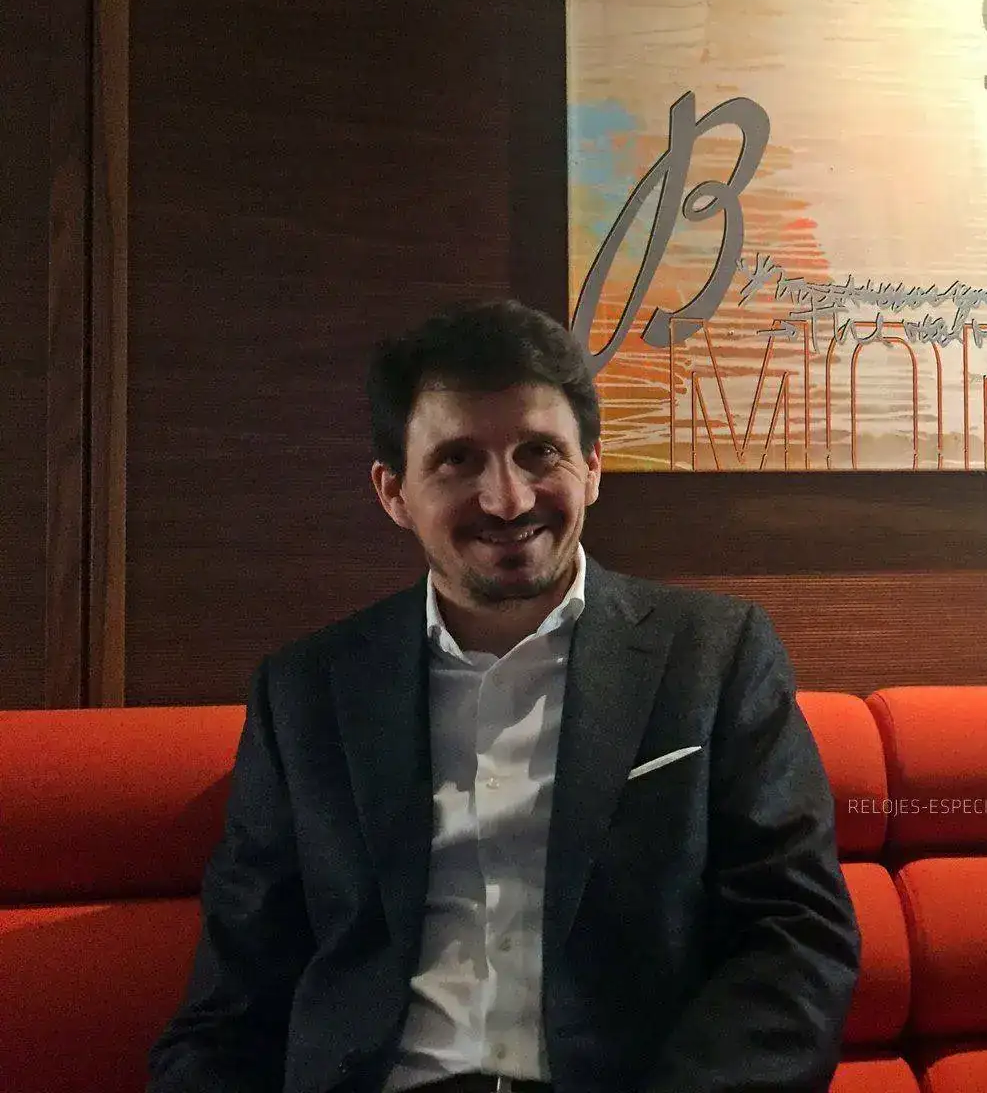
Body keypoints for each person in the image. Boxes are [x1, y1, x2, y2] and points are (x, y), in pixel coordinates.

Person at [148, 299, 861, 1093]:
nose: (508, 500)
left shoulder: (715, 656)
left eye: (538, 453)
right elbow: (234, 996)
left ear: (592, 466)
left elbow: (795, 939)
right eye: (457, 461)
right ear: (393, 492)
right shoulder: (306, 693)